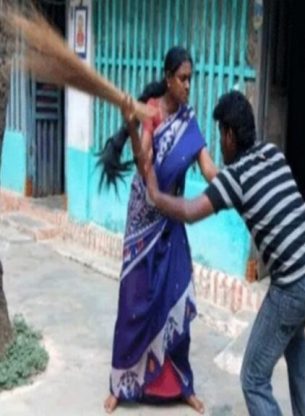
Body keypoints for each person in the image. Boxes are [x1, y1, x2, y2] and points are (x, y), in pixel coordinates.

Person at [125, 91, 305, 416]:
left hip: (293, 285)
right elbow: (230, 185)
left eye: (221, 135)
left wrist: (155, 194)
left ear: (230, 135)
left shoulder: (235, 178)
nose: (220, 143)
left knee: (253, 379)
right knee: (294, 341)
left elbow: (190, 211)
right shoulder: (272, 153)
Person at [105, 46, 217, 414]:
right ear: (168, 79)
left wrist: (238, 182)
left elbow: (208, 169)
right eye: (182, 79)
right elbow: (145, 164)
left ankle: (181, 385)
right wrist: (130, 125)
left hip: (172, 218)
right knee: (134, 300)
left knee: (176, 293)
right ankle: (121, 383)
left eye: (190, 79)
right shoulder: (151, 111)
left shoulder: (190, 120)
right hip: (144, 218)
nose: (188, 85)